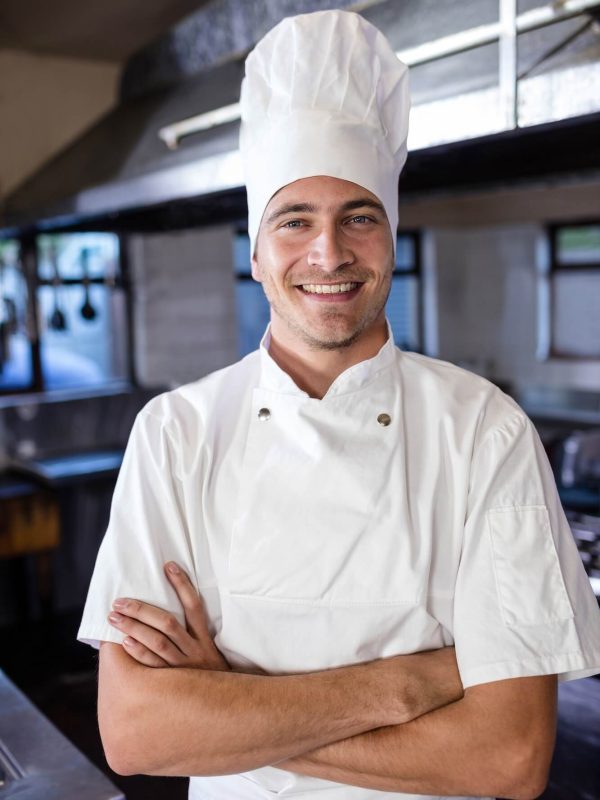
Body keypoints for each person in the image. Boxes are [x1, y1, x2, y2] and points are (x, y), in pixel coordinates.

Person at [78, 10, 600, 800]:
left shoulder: (483, 431)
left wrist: (229, 706)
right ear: (256, 254)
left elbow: (509, 757)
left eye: (359, 216)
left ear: (390, 237)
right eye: (295, 221)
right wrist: (404, 687)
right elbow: (137, 731)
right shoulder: (176, 435)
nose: (329, 253)